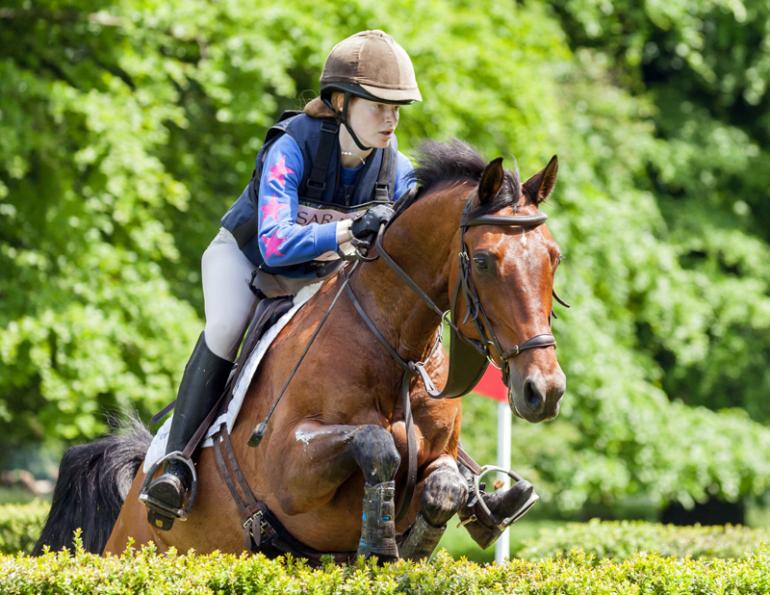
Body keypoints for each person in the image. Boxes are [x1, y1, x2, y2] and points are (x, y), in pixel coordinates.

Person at [140, 30, 422, 530]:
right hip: (247, 263)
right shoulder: (293, 146)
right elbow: (273, 243)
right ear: (340, 102)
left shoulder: (395, 167)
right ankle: (176, 465)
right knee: (226, 326)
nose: (391, 119)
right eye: (378, 105)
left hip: (317, 279)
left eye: (397, 108)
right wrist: (347, 229)